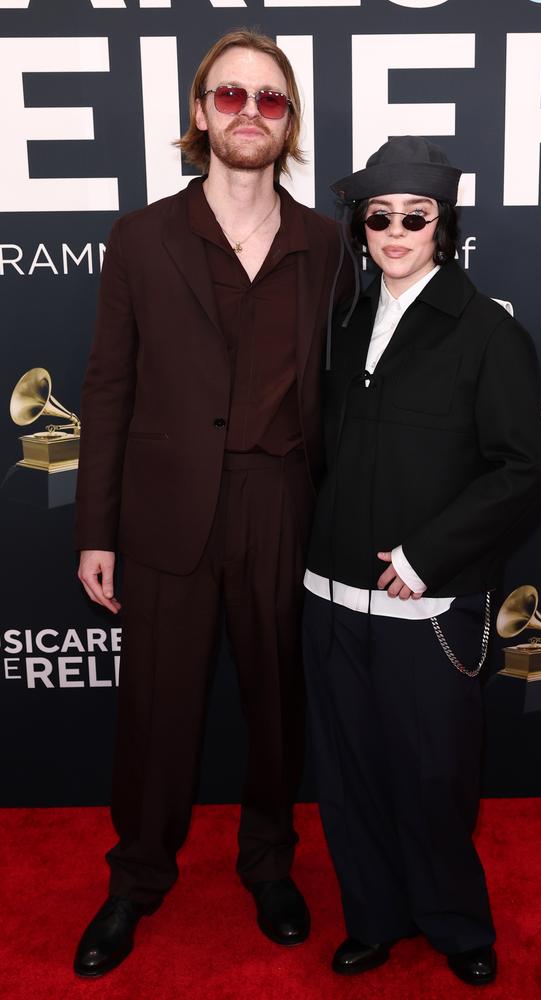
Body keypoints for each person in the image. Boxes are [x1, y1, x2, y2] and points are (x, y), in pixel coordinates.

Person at [73, 29, 352, 978]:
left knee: (277, 700)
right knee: (155, 709)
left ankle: (271, 864)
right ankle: (136, 878)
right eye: (229, 96)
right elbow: (107, 387)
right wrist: (94, 530)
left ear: (289, 123)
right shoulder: (141, 236)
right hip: (163, 509)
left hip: (282, 503)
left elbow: (351, 396)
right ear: (200, 113)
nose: (248, 114)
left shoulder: (328, 244)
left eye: (269, 101)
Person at [302, 137, 541, 986]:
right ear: (360, 226)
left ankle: (453, 922)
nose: (396, 231)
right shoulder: (340, 321)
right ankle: (374, 915)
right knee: (348, 777)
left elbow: (523, 471)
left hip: (430, 609)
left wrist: (426, 554)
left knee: (435, 779)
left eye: (416, 217)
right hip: (330, 600)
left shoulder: (487, 331)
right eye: (380, 217)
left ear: (444, 227)